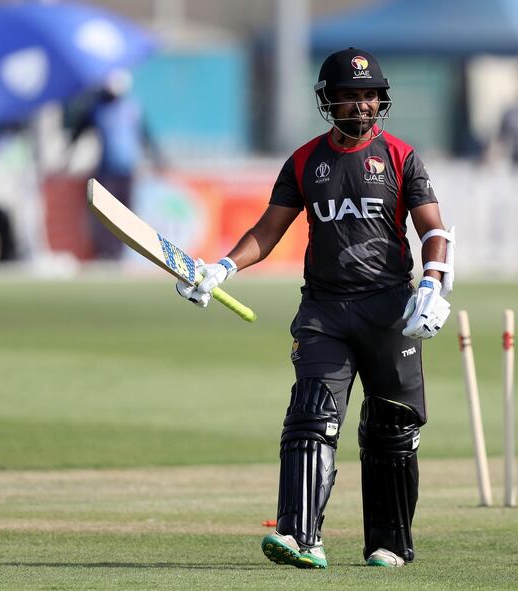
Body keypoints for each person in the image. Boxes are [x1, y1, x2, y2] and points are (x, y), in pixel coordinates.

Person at [176, 48, 454, 569]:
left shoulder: (401, 157)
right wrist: (221, 269)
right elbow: (267, 231)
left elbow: (433, 229)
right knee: (311, 417)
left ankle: (388, 544)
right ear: (328, 100)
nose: (362, 106)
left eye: (370, 96)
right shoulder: (305, 161)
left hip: (390, 307)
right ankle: (301, 537)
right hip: (324, 309)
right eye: (350, 96)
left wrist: (433, 285)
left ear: (382, 100)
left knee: (392, 429)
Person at [68, 69, 162, 259]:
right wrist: (66, 154)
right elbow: (79, 131)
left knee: (126, 214)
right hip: (106, 170)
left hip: (127, 170)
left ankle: (119, 252)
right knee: (105, 214)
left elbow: (145, 135)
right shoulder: (97, 109)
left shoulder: (132, 108)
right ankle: (105, 251)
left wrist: (158, 158)